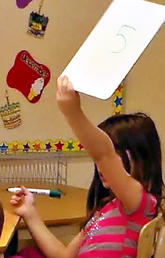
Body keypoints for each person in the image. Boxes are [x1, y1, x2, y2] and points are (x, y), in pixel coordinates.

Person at [10, 75, 163, 258]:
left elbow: (104, 153)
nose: (101, 166)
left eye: (116, 155)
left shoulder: (139, 202)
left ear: (140, 158)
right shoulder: (106, 209)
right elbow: (64, 255)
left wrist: (72, 112)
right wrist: (29, 212)